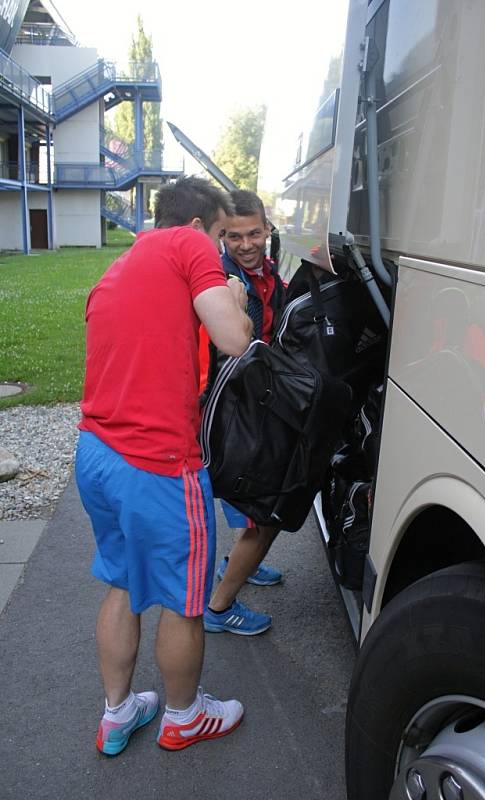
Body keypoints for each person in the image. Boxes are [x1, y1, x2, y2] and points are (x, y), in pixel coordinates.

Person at [75, 176, 253, 756]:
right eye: (224, 234)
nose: (227, 246)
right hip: (159, 464)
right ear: (200, 225)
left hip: (97, 452)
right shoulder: (189, 244)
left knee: (123, 582)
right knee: (183, 598)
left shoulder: (117, 269)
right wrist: (237, 302)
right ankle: (183, 716)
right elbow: (232, 339)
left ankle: (117, 713)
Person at [202, 190, 286, 637]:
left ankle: (238, 564)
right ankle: (219, 608)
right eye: (233, 236)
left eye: (254, 232)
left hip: (260, 399)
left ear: (267, 229)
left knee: (253, 507)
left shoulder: (270, 271)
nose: (246, 243)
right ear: (221, 237)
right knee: (266, 512)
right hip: (237, 408)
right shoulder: (220, 280)